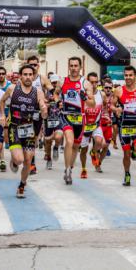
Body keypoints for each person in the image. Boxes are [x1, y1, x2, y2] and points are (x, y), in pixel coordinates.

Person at [0, 64, 48, 198]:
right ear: (20, 76)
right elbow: (2, 102)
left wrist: (44, 109)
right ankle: (14, 161)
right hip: (14, 127)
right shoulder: (12, 89)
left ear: (33, 76)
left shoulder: (38, 92)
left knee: (28, 160)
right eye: (25, 74)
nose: (27, 77)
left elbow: (42, 106)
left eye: (30, 75)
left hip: (30, 130)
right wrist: (3, 115)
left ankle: (22, 185)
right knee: (20, 160)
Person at [58, 57, 95, 185]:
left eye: (76, 66)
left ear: (80, 67)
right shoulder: (63, 81)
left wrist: (85, 98)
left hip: (80, 118)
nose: (73, 68)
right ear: (69, 66)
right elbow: (56, 94)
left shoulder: (86, 83)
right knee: (69, 141)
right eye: (71, 65)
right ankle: (68, 170)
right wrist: (58, 101)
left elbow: (92, 103)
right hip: (66, 116)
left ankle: (69, 167)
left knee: (76, 147)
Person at [111, 66, 136, 186]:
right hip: (124, 127)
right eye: (126, 75)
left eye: (130, 75)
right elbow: (111, 105)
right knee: (126, 154)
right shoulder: (118, 90)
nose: (128, 77)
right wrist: (116, 109)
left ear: (135, 75)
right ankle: (127, 174)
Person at [26, 55, 54, 175]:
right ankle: (31, 163)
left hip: (38, 112)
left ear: (38, 65)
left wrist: (50, 100)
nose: (33, 67)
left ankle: (31, 162)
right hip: (25, 112)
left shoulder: (42, 78)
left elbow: (51, 91)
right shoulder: (24, 78)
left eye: (35, 64)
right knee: (28, 138)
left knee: (34, 140)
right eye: (31, 64)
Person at [79, 72, 106, 178]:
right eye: (91, 82)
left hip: (95, 124)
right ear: (87, 82)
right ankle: (84, 169)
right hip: (84, 125)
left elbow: (104, 107)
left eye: (96, 82)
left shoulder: (101, 94)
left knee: (100, 142)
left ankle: (93, 152)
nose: (94, 84)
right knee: (83, 150)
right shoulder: (83, 94)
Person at [43, 74, 63, 170]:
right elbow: (42, 103)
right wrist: (46, 104)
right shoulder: (46, 93)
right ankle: (49, 159)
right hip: (48, 120)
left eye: (56, 82)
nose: (55, 84)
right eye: (53, 82)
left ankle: (56, 147)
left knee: (59, 137)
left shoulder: (62, 93)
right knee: (47, 142)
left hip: (59, 119)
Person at [97, 78, 115, 172]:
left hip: (108, 125)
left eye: (109, 87)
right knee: (101, 144)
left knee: (106, 147)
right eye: (106, 87)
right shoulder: (99, 96)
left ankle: (99, 163)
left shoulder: (114, 98)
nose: (108, 89)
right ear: (103, 88)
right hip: (99, 124)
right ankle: (95, 153)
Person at [0, 66, 11, 168]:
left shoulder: (9, 86)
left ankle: (2, 160)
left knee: (3, 132)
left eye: (3, 74)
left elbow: (12, 102)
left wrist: (9, 115)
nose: (1, 75)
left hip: (6, 111)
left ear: (5, 75)